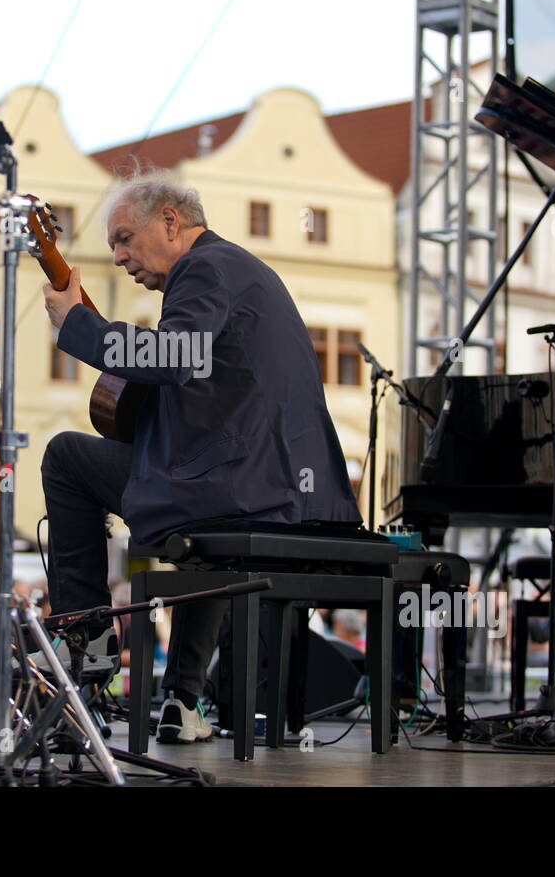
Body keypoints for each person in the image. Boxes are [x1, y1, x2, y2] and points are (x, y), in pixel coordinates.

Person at [40, 174, 360, 743]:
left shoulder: (204, 267)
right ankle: (183, 702)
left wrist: (78, 326)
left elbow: (175, 357)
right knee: (199, 547)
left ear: (169, 220)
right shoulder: (241, 270)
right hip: (288, 491)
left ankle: (85, 647)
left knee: (66, 457)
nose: (117, 257)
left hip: (242, 488)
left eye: (124, 238)